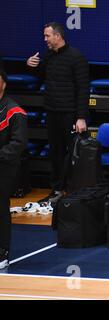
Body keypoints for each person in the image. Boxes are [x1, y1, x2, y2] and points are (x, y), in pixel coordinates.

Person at [26, 22, 89, 202]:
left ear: (57, 36)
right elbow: (42, 76)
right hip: (52, 112)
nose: (45, 39)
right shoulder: (49, 56)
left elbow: (83, 89)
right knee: (55, 153)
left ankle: (77, 190)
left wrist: (81, 117)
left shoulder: (77, 57)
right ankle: (57, 190)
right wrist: (32, 65)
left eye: (47, 36)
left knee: (75, 154)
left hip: (70, 114)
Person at [0, 70, 27, 269]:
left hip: (5, 167)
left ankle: (2, 252)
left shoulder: (15, 111)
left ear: (3, 84)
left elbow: (18, 144)